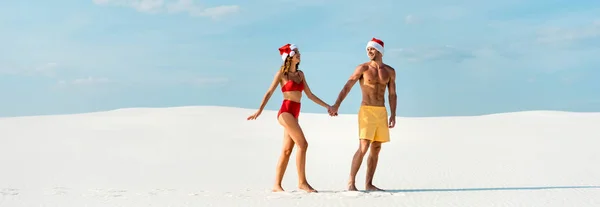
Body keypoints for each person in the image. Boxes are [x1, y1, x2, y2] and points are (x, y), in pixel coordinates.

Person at [247, 43, 332, 193]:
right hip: (285, 112)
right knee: (303, 144)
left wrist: (328, 106)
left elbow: (310, 95)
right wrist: (259, 110)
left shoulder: (300, 75)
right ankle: (302, 182)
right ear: (289, 57)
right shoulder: (281, 74)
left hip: (295, 114)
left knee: (287, 151)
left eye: (299, 52)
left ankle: (276, 185)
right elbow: (269, 92)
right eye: (296, 52)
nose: (299, 54)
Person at [329, 37, 397, 191]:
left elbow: (392, 94)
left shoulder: (390, 71)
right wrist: (336, 105)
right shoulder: (363, 68)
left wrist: (393, 114)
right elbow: (348, 86)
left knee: (377, 147)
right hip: (366, 110)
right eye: (367, 49)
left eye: (372, 49)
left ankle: (369, 183)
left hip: (381, 111)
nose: (369, 52)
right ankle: (351, 183)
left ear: (379, 51)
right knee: (364, 145)